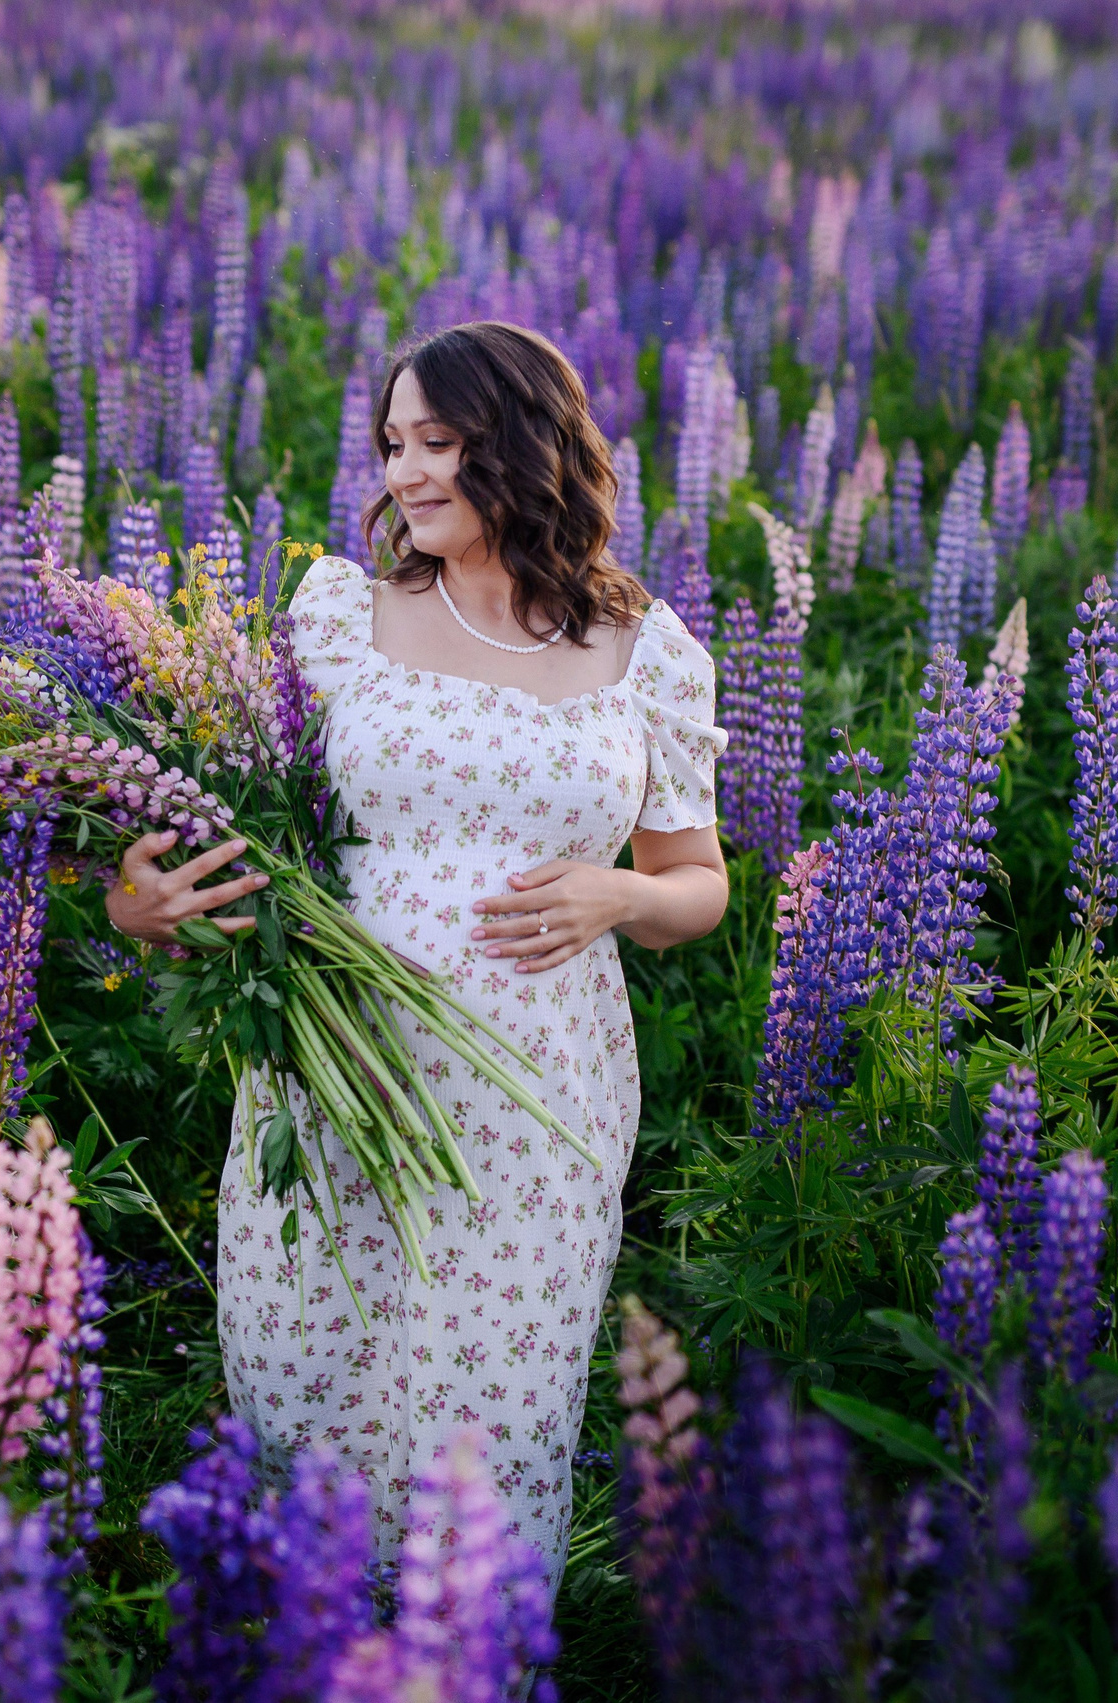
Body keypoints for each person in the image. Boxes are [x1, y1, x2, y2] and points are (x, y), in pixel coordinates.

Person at [105, 321, 728, 1578]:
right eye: (393, 444)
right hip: (331, 1081)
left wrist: (616, 893)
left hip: (534, 1099)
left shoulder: (642, 652)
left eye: (437, 442)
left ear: (525, 443)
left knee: (485, 1421)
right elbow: (170, 842)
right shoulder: (339, 619)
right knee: (310, 1383)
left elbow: (698, 885)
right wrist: (144, 901)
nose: (404, 472)